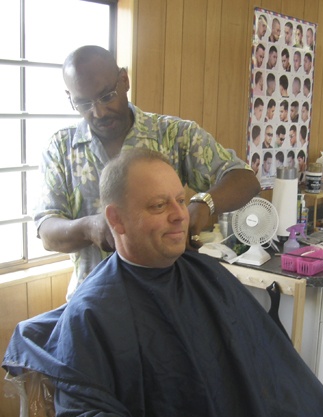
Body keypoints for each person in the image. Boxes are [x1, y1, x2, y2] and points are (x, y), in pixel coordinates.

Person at [4, 149, 323, 417]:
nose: (180, 215)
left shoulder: (207, 274)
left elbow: (269, 364)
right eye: (159, 206)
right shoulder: (92, 311)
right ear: (115, 220)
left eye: (181, 199)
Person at [34, 45, 260, 299]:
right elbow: (47, 231)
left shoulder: (175, 135)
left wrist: (202, 206)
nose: (98, 112)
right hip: (94, 302)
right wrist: (90, 227)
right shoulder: (61, 148)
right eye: (84, 103)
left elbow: (244, 178)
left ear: (124, 80)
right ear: (70, 98)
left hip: (168, 299)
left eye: (107, 96)